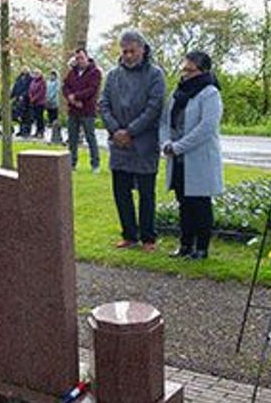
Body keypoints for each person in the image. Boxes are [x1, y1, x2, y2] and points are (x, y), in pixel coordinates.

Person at [98, 31, 166, 252]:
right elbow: (104, 104)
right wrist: (116, 130)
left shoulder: (155, 75)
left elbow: (154, 107)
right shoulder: (113, 75)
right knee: (121, 191)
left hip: (144, 143)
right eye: (124, 51)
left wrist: (131, 131)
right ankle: (129, 234)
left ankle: (148, 238)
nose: (127, 55)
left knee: (146, 193)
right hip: (118, 144)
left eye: (132, 51)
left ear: (143, 49)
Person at [160, 51, 224, 260]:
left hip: (198, 158)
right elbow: (165, 122)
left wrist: (179, 146)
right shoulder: (177, 92)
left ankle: (202, 248)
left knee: (200, 204)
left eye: (190, 70)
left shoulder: (210, 93)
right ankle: (185, 245)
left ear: (203, 70)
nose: (185, 74)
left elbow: (207, 127)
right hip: (178, 158)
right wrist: (167, 142)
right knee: (184, 203)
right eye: (184, 69)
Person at [63, 48, 102, 172]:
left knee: (90, 137)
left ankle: (95, 164)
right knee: (72, 138)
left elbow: (92, 89)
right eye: (77, 58)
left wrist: (77, 96)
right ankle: (72, 163)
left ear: (87, 57)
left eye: (81, 58)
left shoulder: (94, 72)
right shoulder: (72, 72)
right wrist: (71, 98)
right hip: (73, 109)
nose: (79, 60)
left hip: (87, 109)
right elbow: (65, 86)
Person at [26, 69, 47, 138]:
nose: (35, 75)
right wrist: (30, 97)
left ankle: (41, 131)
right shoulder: (33, 81)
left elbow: (41, 92)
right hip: (33, 102)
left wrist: (34, 98)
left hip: (40, 102)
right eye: (35, 73)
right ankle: (37, 131)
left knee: (39, 117)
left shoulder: (42, 82)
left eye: (37, 73)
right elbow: (30, 90)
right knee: (35, 117)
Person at [11, 68, 31, 136]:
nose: (24, 71)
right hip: (18, 99)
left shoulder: (30, 79)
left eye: (25, 70)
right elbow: (15, 87)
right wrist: (11, 96)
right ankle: (20, 130)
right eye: (23, 70)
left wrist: (24, 95)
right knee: (19, 115)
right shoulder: (18, 78)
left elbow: (29, 89)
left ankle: (26, 131)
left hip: (26, 100)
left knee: (26, 116)